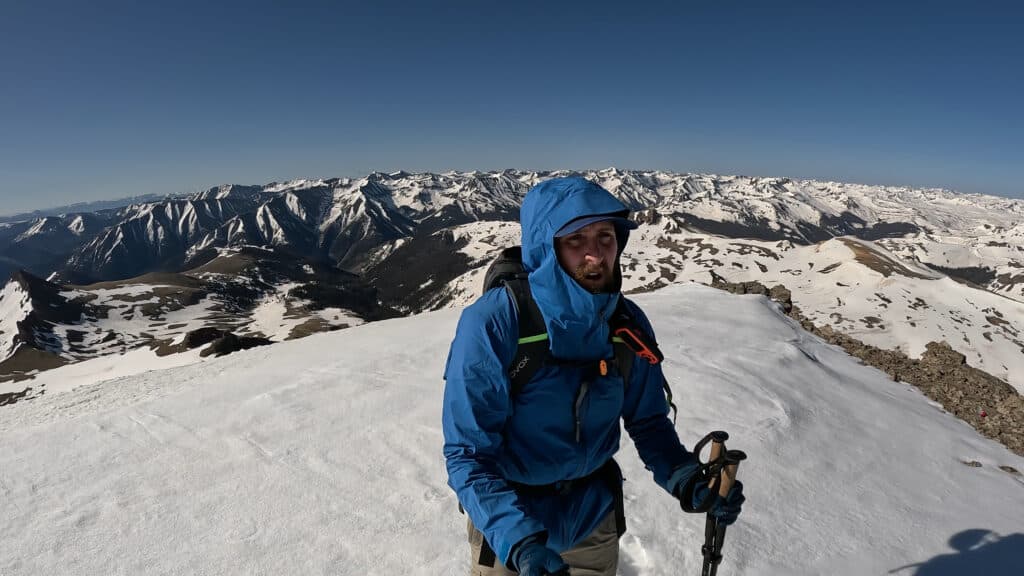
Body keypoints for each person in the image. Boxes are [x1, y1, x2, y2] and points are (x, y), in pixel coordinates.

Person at [442, 176, 744, 576]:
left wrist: (687, 479)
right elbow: (468, 454)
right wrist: (521, 543)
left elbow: (648, 422)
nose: (595, 255)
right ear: (546, 249)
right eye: (575, 240)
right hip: (511, 530)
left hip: (594, 522)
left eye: (605, 236)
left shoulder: (626, 324)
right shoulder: (495, 323)